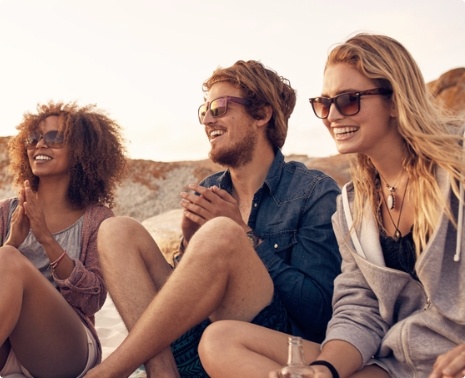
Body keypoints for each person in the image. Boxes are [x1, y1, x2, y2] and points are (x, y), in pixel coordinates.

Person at [197, 33, 465, 378]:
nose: (333, 115)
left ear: (396, 100)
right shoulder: (354, 207)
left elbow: (314, 306)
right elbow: (358, 310)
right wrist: (325, 370)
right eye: (325, 103)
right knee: (219, 340)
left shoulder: (455, 171)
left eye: (349, 100)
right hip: (394, 365)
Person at [84, 59, 342, 377]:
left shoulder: (313, 191)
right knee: (116, 230)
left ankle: (109, 371)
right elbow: (186, 302)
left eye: (219, 108)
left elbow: (319, 312)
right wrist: (191, 245)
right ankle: (162, 372)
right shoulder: (210, 189)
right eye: (203, 111)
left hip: (275, 347)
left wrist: (244, 234)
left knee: (222, 233)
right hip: (206, 339)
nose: (207, 119)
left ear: (262, 114)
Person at [0, 101, 127, 378]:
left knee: (8, 257)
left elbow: (92, 300)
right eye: (34, 138)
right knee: (7, 254)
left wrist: (46, 238)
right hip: (9, 347)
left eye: (55, 137)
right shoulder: (7, 211)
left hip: (66, 350)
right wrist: (11, 241)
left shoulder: (97, 219)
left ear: (81, 151)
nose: (40, 145)